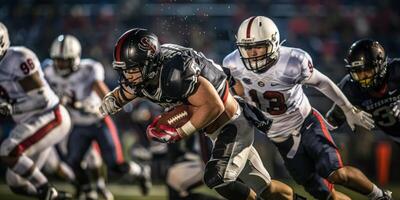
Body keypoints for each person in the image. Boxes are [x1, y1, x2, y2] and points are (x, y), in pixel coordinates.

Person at [99, 28, 303, 200]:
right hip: (215, 130)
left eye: (132, 69)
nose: (128, 76)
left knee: (217, 178)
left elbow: (214, 105)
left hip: (231, 124)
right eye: (124, 70)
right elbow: (128, 91)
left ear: (150, 62)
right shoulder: (146, 74)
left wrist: (180, 132)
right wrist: (110, 103)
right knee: (265, 188)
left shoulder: (175, 72)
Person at [222, 16, 392, 200]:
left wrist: (348, 109)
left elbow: (323, 83)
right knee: (325, 194)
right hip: (280, 138)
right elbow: (231, 96)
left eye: (258, 46)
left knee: (336, 173)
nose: (253, 53)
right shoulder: (232, 64)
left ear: (274, 42)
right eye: (247, 48)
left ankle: (380, 196)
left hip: (306, 124)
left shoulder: (293, 61)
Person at [43, 34, 151, 199]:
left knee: (115, 165)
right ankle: (88, 191)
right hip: (77, 125)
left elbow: (104, 94)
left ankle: (141, 172)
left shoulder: (89, 70)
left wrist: (99, 107)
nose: (61, 64)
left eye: (65, 60)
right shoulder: (49, 71)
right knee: (73, 162)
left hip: (98, 121)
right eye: (58, 60)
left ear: (75, 58)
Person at [0, 22, 72, 200]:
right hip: (28, 123)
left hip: (51, 115)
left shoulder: (17, 59)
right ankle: (57, 198)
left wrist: (12, 108)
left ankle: (47, 190)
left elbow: (42, 100)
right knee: (16, 183)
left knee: (8, 150)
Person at [326, 39, 400, 145]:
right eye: (358, 74)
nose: (363, 79)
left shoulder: (396, 70)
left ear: (381, 66)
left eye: (367, 72)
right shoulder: (350, 88)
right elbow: (332, 121)